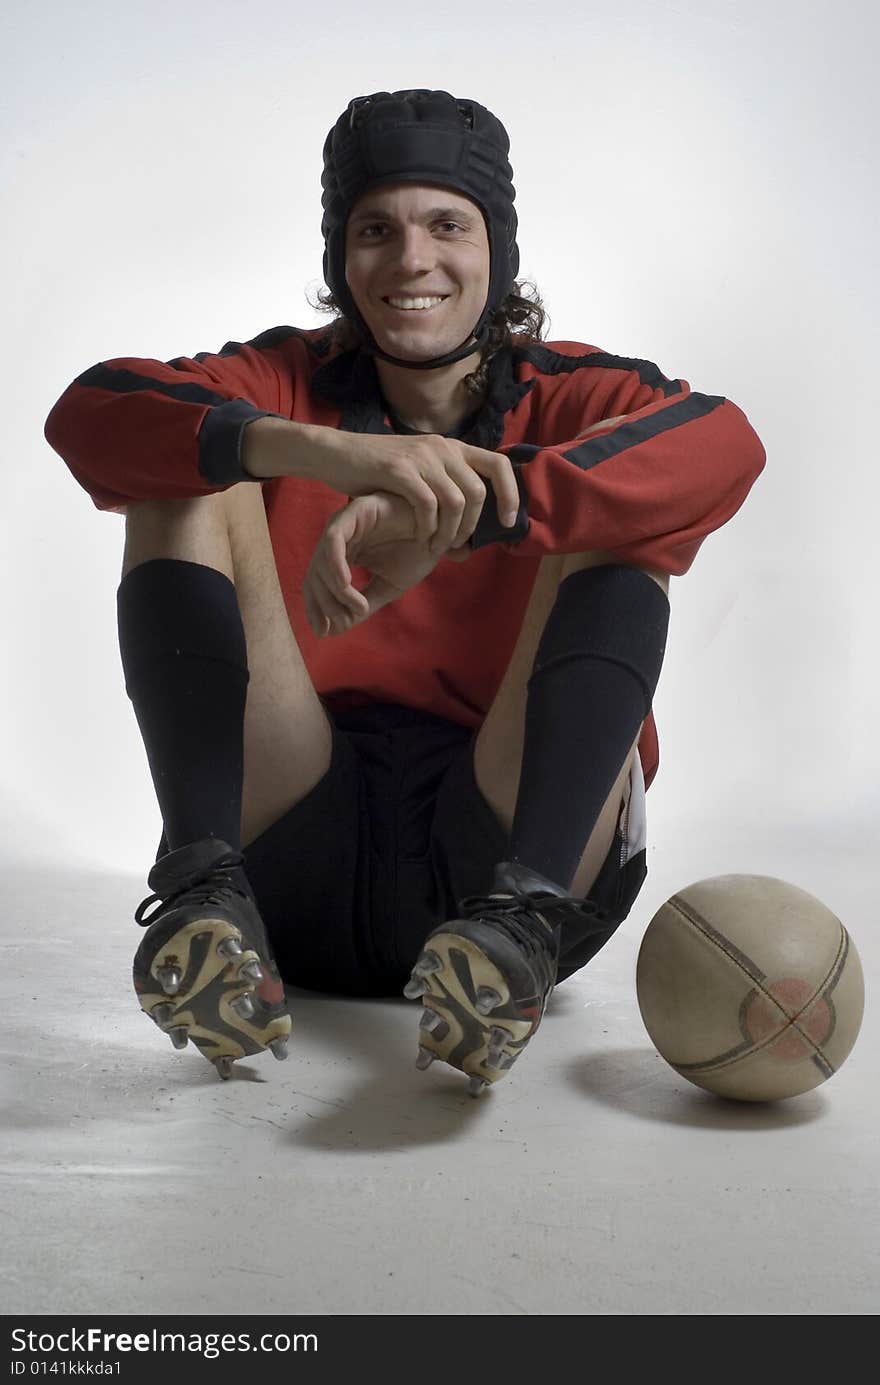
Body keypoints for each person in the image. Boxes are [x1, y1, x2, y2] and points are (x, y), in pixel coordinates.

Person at [43, 89, 766, 1094]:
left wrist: (476, 513)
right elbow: (90, 413)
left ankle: (513, 933)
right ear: (342, 258)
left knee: (624, 518)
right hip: (288, 849)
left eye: (446, 225)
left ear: (495, 249)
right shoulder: (286, 380)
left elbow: (724, 445)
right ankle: (201, 893)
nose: (411, 258)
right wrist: (318, 451)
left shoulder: (578, 394)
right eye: (374, 228)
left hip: (512, 850)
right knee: (182, 466)